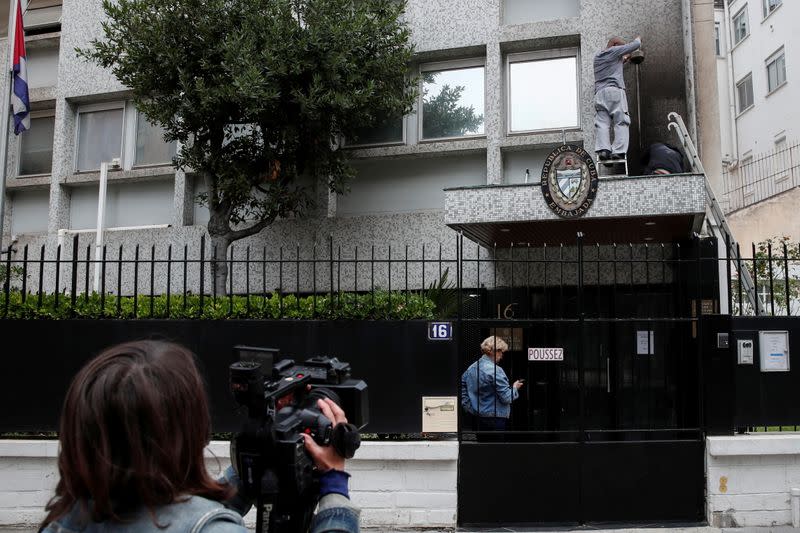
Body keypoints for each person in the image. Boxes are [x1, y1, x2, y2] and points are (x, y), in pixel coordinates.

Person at [39, 340, 359, 533]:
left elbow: (177, 510)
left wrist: (258, 455)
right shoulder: (211, 528)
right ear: (187, 431)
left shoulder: (64, 521)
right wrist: (334, 484)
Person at [594, 35, 642, 162]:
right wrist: (638, 39)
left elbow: (616, 63)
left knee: (603, 123)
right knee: (621, 120)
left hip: (600, 94)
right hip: (614, 91)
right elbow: (634, 45)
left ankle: (604, 151)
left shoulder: (598, 57)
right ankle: (618, 152)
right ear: (615, 45)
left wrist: (625, 59)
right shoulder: (613, 51)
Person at [460, 335, 523, 431]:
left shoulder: (471, 368)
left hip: (477, 416)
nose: (502, 356)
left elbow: (462, 387)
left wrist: (469, 407)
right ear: (493, 351)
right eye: (501, 352)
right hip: (496, 418)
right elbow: (506, 398)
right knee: (495, 445)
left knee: (482, 445)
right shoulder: (496, 370)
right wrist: (514, 388)